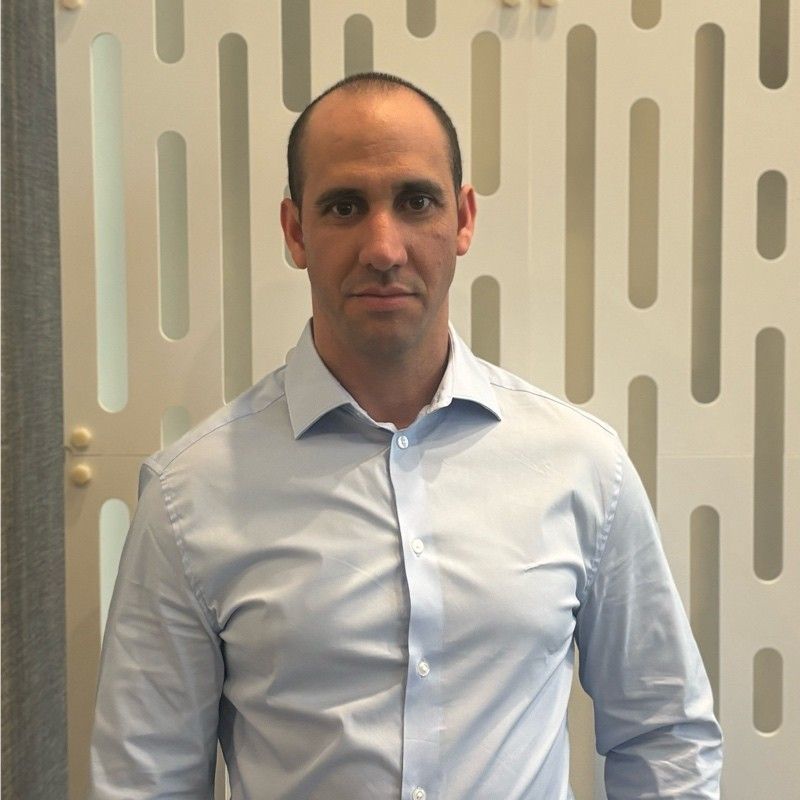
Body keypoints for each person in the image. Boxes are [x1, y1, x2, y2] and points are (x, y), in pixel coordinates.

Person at [90, 72, 722, 799]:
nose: (383, 247)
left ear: (463, 219)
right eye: (345, 207)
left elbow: (664, 735)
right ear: (296, 232)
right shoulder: (188, 495)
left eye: (416, 201)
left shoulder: (583, 467)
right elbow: (145, 780)